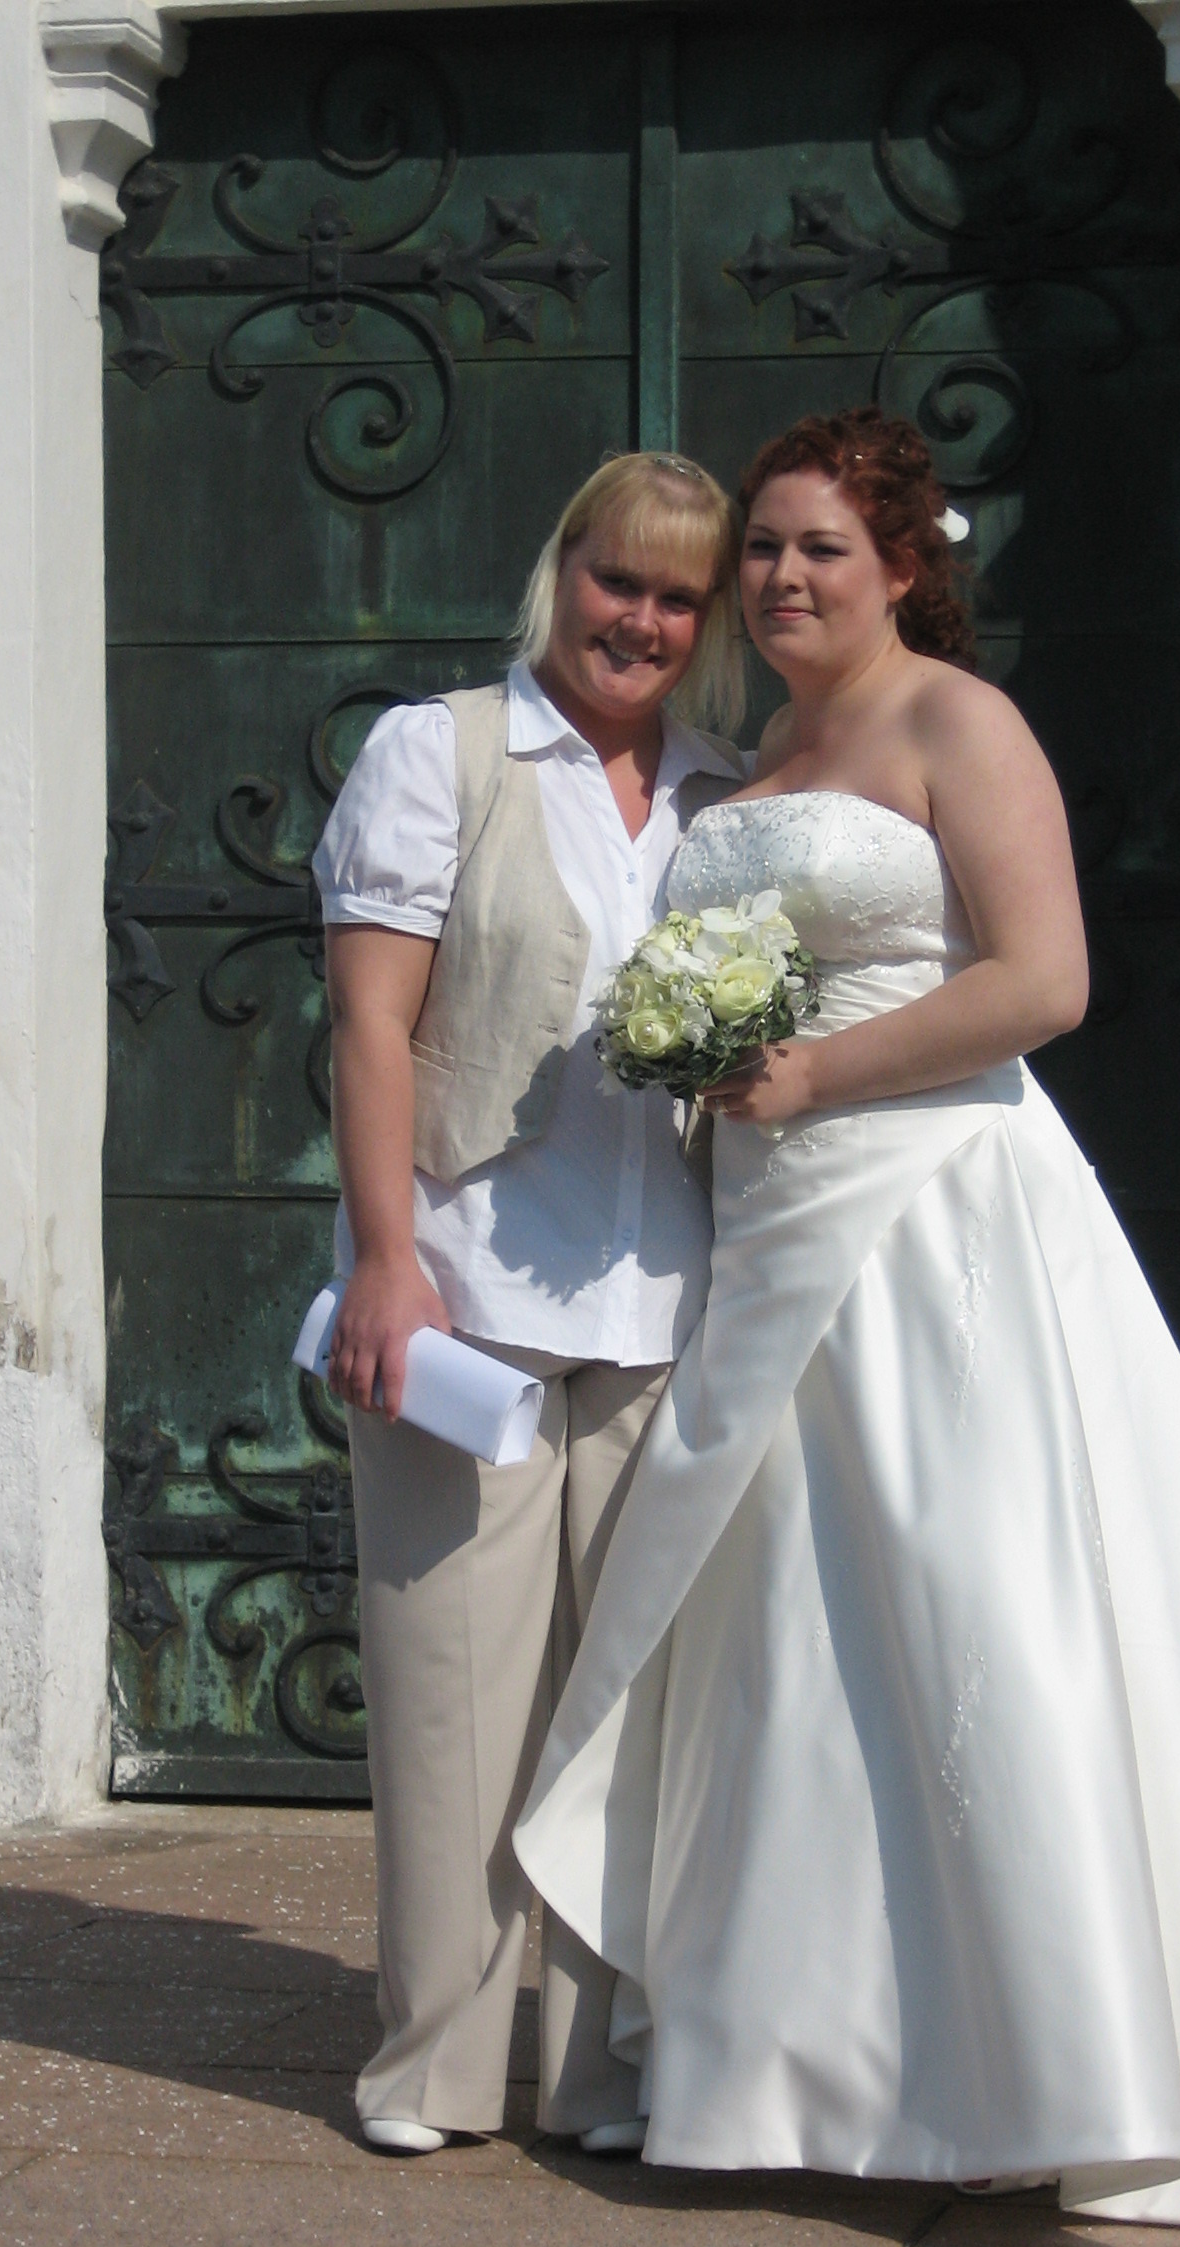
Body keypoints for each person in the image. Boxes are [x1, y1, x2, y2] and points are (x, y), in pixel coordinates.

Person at [513, 408, 1180, 2226]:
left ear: (902, 564)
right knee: (792, 1642)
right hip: (769, 1230)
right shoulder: (767, 750)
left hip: (937, 1215)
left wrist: (811, 1071)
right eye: (762, 547)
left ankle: (1045, 2059)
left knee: (973, 1611)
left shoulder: (959, 723)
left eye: (819, 549)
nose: (780, 577)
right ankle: (800, 2065)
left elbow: (1045, 982)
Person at [312, 452, 746, 2156]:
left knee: (624, 1711)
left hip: (668, 1305)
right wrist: (386, 1258)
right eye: (617, 578)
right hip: (468, 1290)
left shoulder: (723, 793)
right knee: (453, 1701)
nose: (640, 620)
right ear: (562, 570)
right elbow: (370, 1023)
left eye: (677, 596)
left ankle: (597, 2071)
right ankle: (428, 2064)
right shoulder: (443, 753)